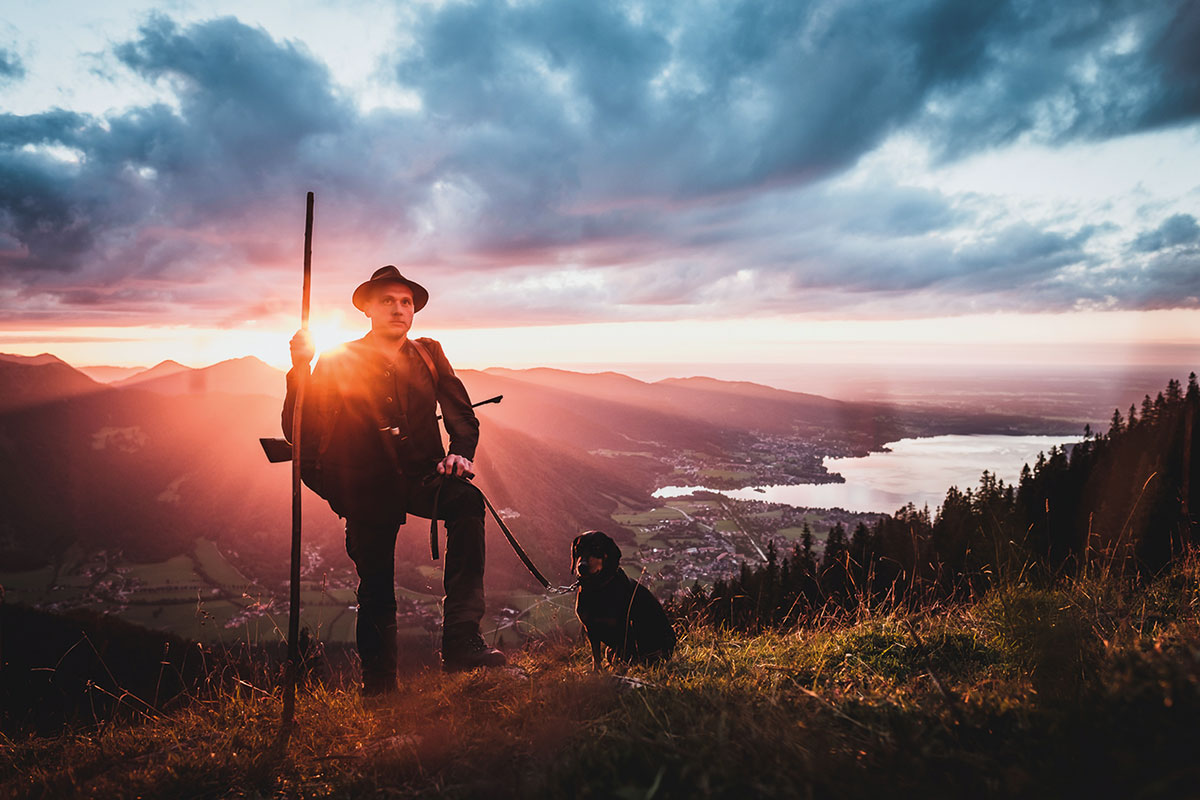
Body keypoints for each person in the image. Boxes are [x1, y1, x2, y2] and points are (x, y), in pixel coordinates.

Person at [283, 265, 506, 692]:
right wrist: (300, 370)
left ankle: (461, 639)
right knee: (377, 587)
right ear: (367, 308)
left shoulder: (429, 353)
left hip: (424, 475)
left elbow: (462, 415)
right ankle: (380, 689)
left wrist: (459, 454)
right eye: (387, 301)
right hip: (365, 485)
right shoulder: (335, 360)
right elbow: (300, 428)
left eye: (406, 302)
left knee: (467, 502)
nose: (399, 309)